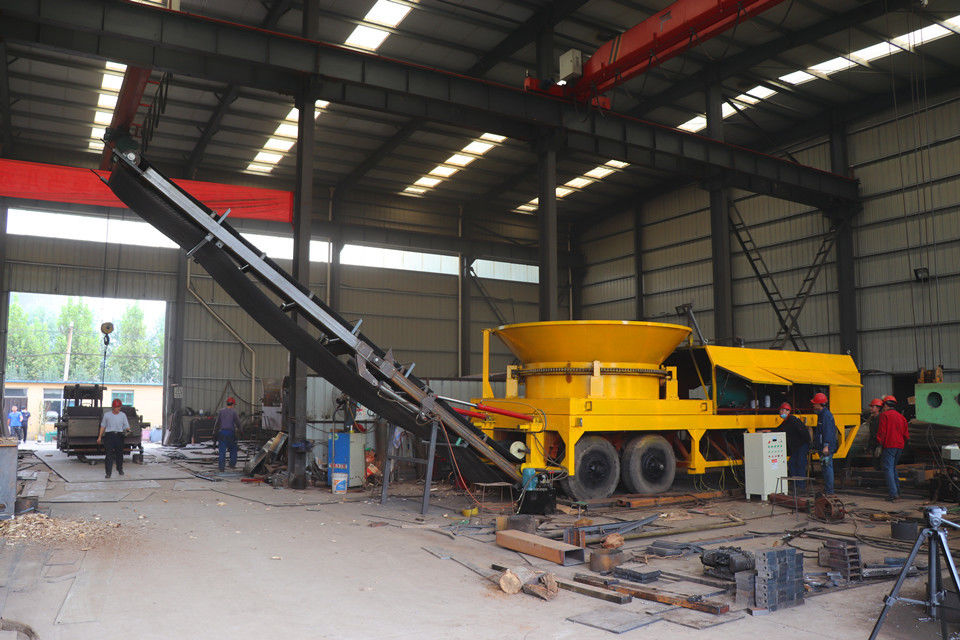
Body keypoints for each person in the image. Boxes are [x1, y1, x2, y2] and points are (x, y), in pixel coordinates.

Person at [877, 394, 909, 501]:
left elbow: (882, 432)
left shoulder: (884, 415)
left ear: (886, 405)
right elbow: (906, 434)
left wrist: (879, 444)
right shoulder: (901, 417)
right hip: (899, 446)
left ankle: (893, 494)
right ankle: (897, 491)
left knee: (888, 468)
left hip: (889, 445)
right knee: (893, 468)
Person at [776, 402, 811, 490]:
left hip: (802, 445)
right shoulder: (786, 421)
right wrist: (767, 431)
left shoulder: (793, 420)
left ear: (788, 411)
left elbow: (804, 432)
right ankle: (796, 484)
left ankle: (801, 486)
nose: (781, 412)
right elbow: (778, 429)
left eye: (783, 410)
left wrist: (808, 444)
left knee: (800, 464)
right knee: (791, 463)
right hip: (797, 447)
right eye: (780, 410)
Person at [811, 392, 837, 495]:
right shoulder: (821, 415)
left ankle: (829, 491)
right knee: (825, 467)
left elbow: (828, 432)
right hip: (822, 447)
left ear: (819, 404)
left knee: (827, 467)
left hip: (826, 448)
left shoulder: (826, 415)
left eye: (815, 403)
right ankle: (827, 489)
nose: (813, 405)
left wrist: (826, 446)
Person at [98, 399, 129, 478]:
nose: (118, 408)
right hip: (109, 436)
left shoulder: (123, 415)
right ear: (113, 407)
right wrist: (100, 437)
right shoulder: (107, 415)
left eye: (119, 407)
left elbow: (126, 426)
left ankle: (120, 468)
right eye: (117, 407)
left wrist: (128, 430)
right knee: (108, 455)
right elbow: (103, 426)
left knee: (119, 454)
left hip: (119, 436)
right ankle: (108, 473)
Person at [214, 397, 240, 472]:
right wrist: (241, 431)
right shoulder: (234, 412)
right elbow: (238, 423)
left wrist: (214, 432)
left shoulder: (221, 411)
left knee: (222, 451)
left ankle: (221, 468)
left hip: (222, 433)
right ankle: (232, 464)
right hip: (231, 433)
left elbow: (217, 423)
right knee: (233, 449)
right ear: (233, 404)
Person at [866, 398, 883, 468]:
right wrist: (869, 446)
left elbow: (882, 433)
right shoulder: (872, 419)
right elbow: (872, 433)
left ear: (878, 408)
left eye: (873, 407)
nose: (871, 408)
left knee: (880, 464)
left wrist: (880, 446)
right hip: (874, 444)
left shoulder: (881, 419)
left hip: (879, 444)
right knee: (876, 464)